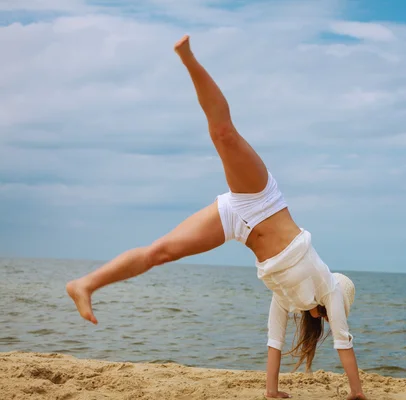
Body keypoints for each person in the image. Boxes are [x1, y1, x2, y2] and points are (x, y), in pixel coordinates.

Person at [66, 34, 367, 400]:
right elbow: (344, 342)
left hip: (236, 224)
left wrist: (271, 392)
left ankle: (85, 284)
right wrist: (357, 394)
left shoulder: (292, 298)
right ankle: (189, 59)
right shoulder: (328, 287)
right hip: (261, 200)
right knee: (223, 134)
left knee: (160, 252)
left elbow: (274, 339)